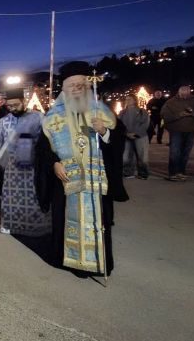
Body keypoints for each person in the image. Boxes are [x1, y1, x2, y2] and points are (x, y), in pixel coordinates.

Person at [35, 62, 128, 276]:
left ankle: (97, 263)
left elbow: (118, 140)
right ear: (65, 89)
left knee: (98, 221)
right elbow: (41, 149)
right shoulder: (52, 116)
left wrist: (104, 132)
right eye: (72, 86)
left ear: (87, 87)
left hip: (96, 180)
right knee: (64, 219)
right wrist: (54, 163)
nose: (76, 89)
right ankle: (67, 260)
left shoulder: (101, 111)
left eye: (80, 85)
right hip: (66, 179)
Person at [0, 89, 50, 235]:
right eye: (9, 106)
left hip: (33, 167)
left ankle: (35, 227)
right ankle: (11, 225)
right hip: (12, 169)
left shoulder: (38, 118)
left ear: (24, 101)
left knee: (34, 196)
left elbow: (47, 140)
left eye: (16, 105)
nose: (13, 109)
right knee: (11, 198)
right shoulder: (4, 121)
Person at [160, 86, 194, 181]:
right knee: (175, 152)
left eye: (187, 93)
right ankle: (173, 173)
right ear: (179, 92)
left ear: (189, 92)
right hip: (176, 130)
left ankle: (181, 171)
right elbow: (164, 115)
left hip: (191, 130)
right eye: (183, 93)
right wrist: (179, 115)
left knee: (186, 152)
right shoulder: (171, 102)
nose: (185, 95)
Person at [119, 95, 150, 179]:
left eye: (130, 99)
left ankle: (143, 173)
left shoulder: (142, 111)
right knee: (126, 157)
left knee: (142, 156)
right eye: (126, 99)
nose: (127, 100)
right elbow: (119, 125)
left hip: (141, 137)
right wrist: (126, 133)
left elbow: (145, 124)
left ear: (135, 101)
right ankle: (128, 172)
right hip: (127, 137)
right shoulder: (122, 113)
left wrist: (136, 133)